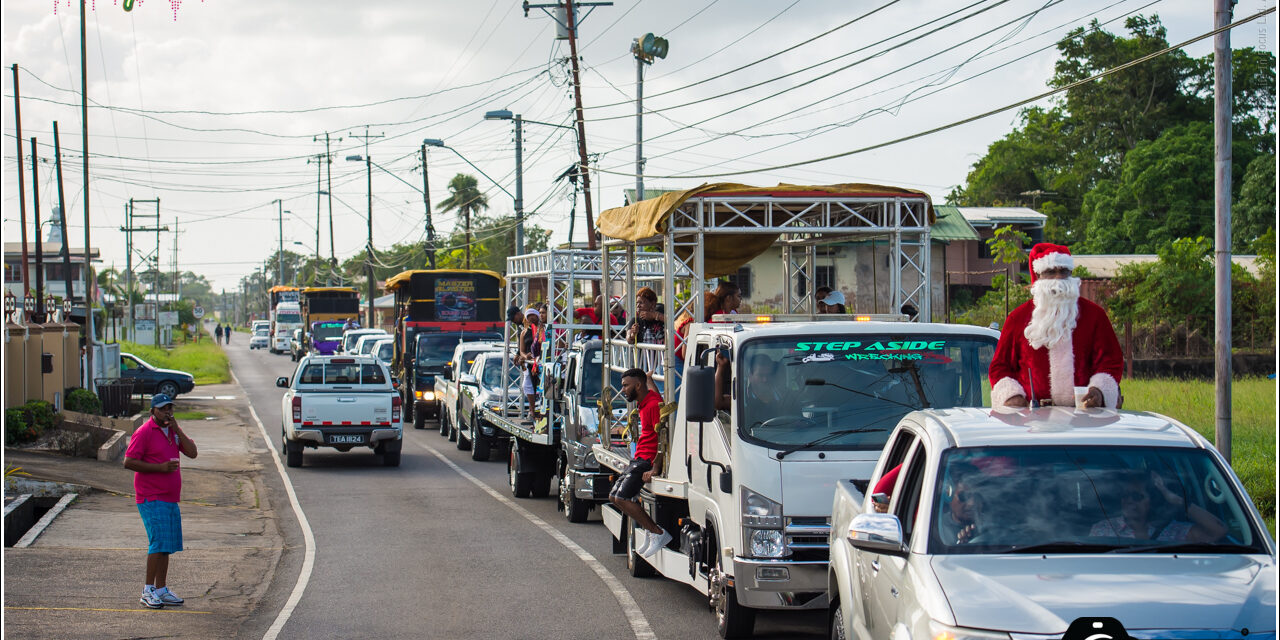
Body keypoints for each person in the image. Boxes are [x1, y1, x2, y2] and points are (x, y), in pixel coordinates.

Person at [989, 243, 1124, 409]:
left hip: (1085, 418)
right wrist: (1011, 396)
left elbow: (1111, 362)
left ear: (1071, 273)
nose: (1059, 278)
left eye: (1063, 271)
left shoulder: (1094, 316)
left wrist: (1099, 391)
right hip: (1032, 420)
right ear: (1038, 276)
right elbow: (1000, 367)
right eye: (1051, 272)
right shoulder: (1017, 318)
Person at [124, 393, 198, 609]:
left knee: (166, 545)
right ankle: (147, 590)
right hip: (150, 496)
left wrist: (177, 428)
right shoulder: (145, 432)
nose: (167, 412)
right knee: (157, 543)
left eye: (170, 408)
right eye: (163, 409)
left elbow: (192, 453)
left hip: (169, 497)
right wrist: (160, 468)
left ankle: (161, 589)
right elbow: (129, 461)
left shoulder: (172, 432)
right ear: (152, 411)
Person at [608, 368, 670, 558]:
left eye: (626, 386)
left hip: (645, 461)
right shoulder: (647, 401)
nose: (623, 390)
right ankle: (651, 532)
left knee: (621, 498)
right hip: (638, 458)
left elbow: (662, 435)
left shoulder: (651, 406)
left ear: (637, 385)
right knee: (613, 497)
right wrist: (649, 379)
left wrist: (655, 467)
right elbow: (656, 395)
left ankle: (658, 532)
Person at [1089, 470, 1227, 543]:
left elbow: (1218, 530)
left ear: (1152, 501)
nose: (1129, 501)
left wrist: (1178, 500)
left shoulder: (1175, 530)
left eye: (1137, 497)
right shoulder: (1103, 529)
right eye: (1125, 495)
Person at [937, 463, 984, 544]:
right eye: (963, 496)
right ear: (949, 494)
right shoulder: (936, 532)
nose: (971, 503)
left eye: (977, 496)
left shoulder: (993, 525)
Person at [516, 307, 544, 422]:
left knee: (541, 386)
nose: (531, 318)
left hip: (540, 362)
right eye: (529, 316)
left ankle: (541, 410)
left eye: (533, 315)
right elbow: (521, 350)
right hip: (529, 364)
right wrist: (525, 356)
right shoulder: (524, 332)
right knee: (527, 385)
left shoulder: (541, 329)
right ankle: (532, 410)